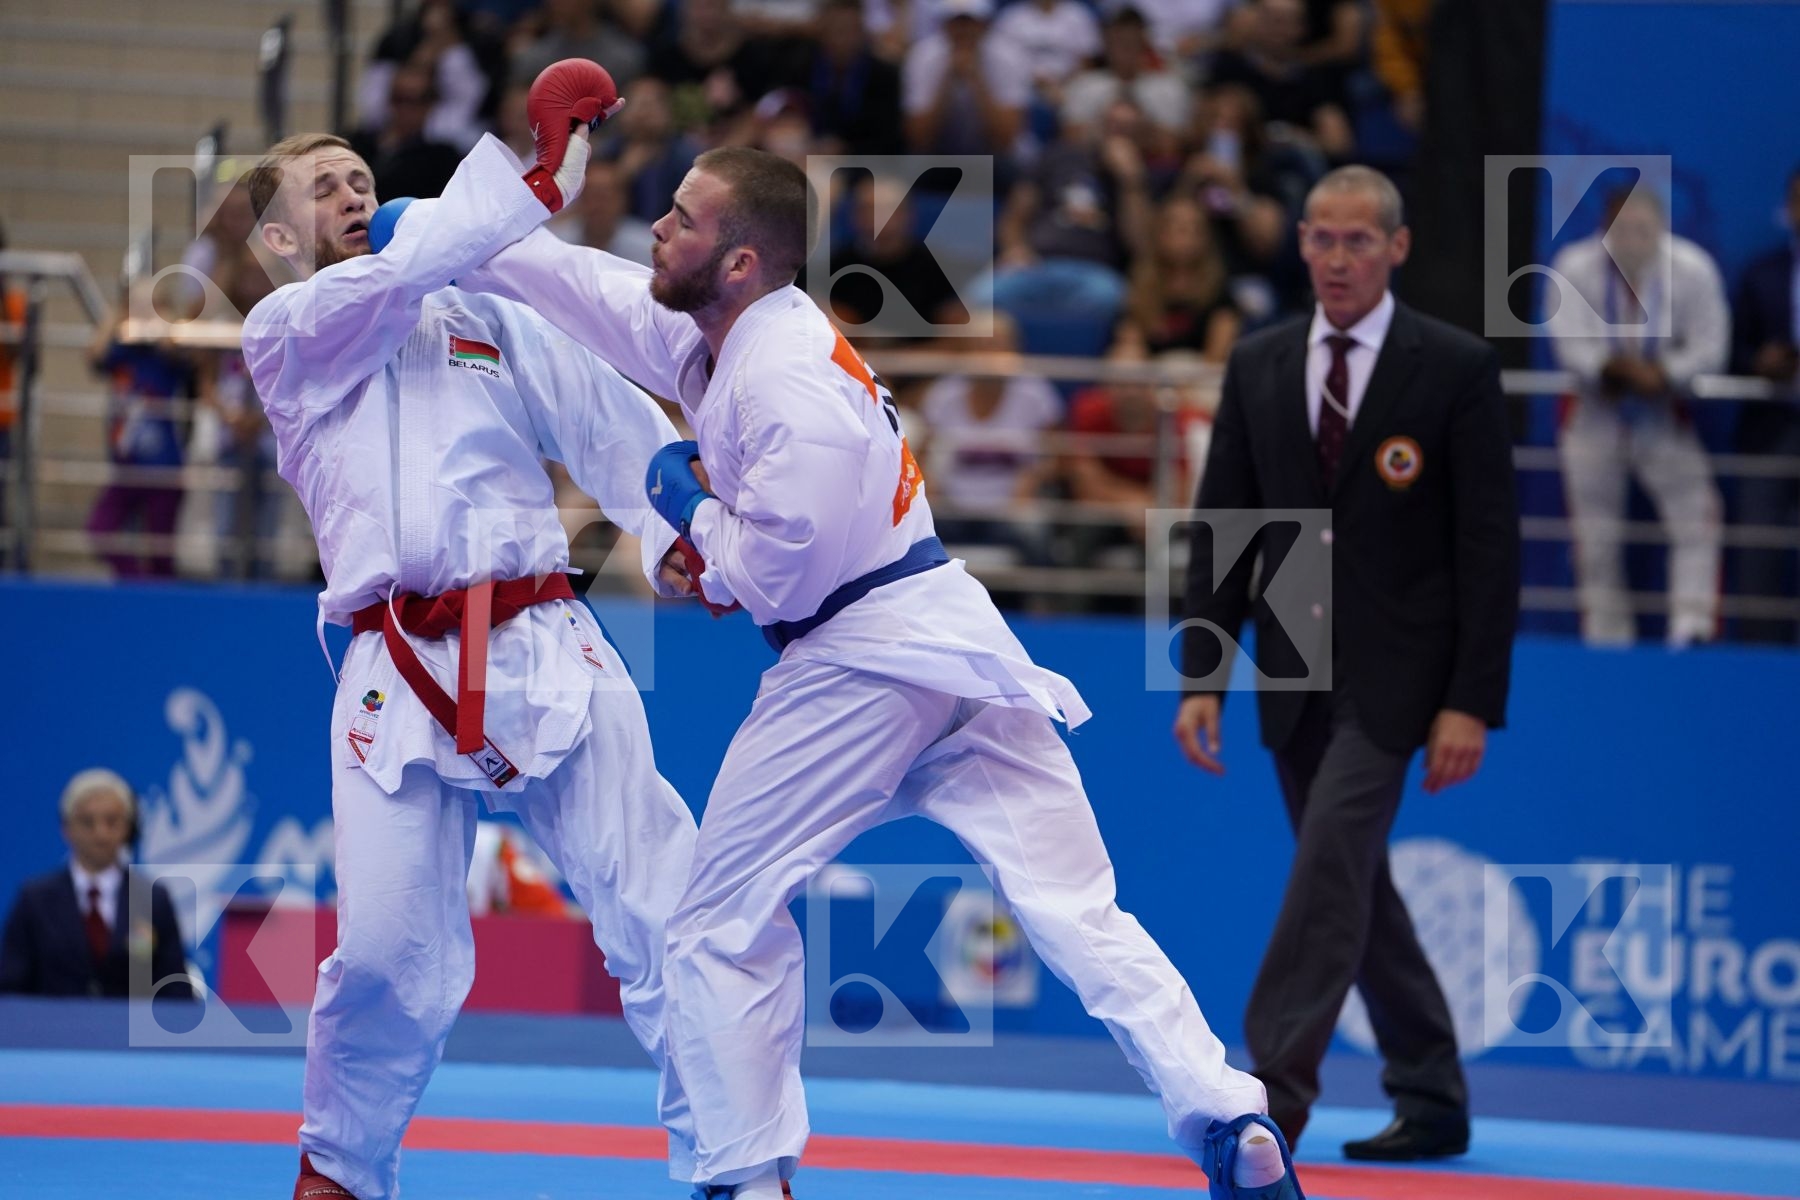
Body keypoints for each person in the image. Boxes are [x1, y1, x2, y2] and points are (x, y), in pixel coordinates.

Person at [458, 144, 1301, 1200]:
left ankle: (746, 1175)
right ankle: (1231, 1118)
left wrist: (688, 511)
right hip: (949, 649)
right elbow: (592, 289)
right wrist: (460, 237)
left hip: (859, 663)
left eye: (682, 216)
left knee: (720, 921)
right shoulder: (721, 333)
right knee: (1078, 910)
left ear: (739, 265)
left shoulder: (784, 378)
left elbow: (770, 572)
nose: (659, 230)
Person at [239, 79, 701, 1200]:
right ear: (273, 240)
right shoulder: (288, 333)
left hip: (544, 633)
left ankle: (738, 1164)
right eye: (324, 187)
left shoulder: (481, 312)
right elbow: (393, 275)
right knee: (394, 958)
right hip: (395, 668)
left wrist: (680, 521)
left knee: (668, 909)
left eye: (362, 176)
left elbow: (604, 417)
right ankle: (340, 1171)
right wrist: (533, 183)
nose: (354, 193)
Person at [1174, 166, 1519, 1161]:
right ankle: (1432, 1091)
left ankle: (1265, 1101)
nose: (1334, 258)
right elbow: (1224, 526)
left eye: (1357, 241)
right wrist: (1204, 671)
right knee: (1352, 880)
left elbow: (1488, 549)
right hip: (1289, 663)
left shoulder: (1453, 366)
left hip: (1402, 671)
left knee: (1330, 866)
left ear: (1397, 249)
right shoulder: (1263, 360)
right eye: (1320, 239)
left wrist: (1471, 703)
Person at [1548, 187, 1730, 647]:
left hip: (1661, 413)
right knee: (1596, 537)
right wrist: (1609, 367)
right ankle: (1607, 640)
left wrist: (1664, 372)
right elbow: (1568, 344)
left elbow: (1711, 348)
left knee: (1697, 517)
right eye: (1620, 230)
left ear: (1660, 228)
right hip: (1595, 415)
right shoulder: (1573, 266)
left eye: (1641, 230)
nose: (1630, 239)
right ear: (1603, 229)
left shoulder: (1692, 268)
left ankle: (1692, 631)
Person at [0, 769, 194, 1000]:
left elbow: (175, 989)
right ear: (67, 828)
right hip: (52, 1032)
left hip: (132, 1033)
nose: (100, 834)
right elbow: (10, 987)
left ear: (127, 828)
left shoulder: (153, 899)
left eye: (112, 821)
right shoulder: (35, 900)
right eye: (87, 822)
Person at [1729, 166, 1800, 644]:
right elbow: (1730, 353)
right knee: (1757, 553)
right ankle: (1759, 663)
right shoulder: (1762, 274)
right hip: (1770, 429)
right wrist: (1760, 362)